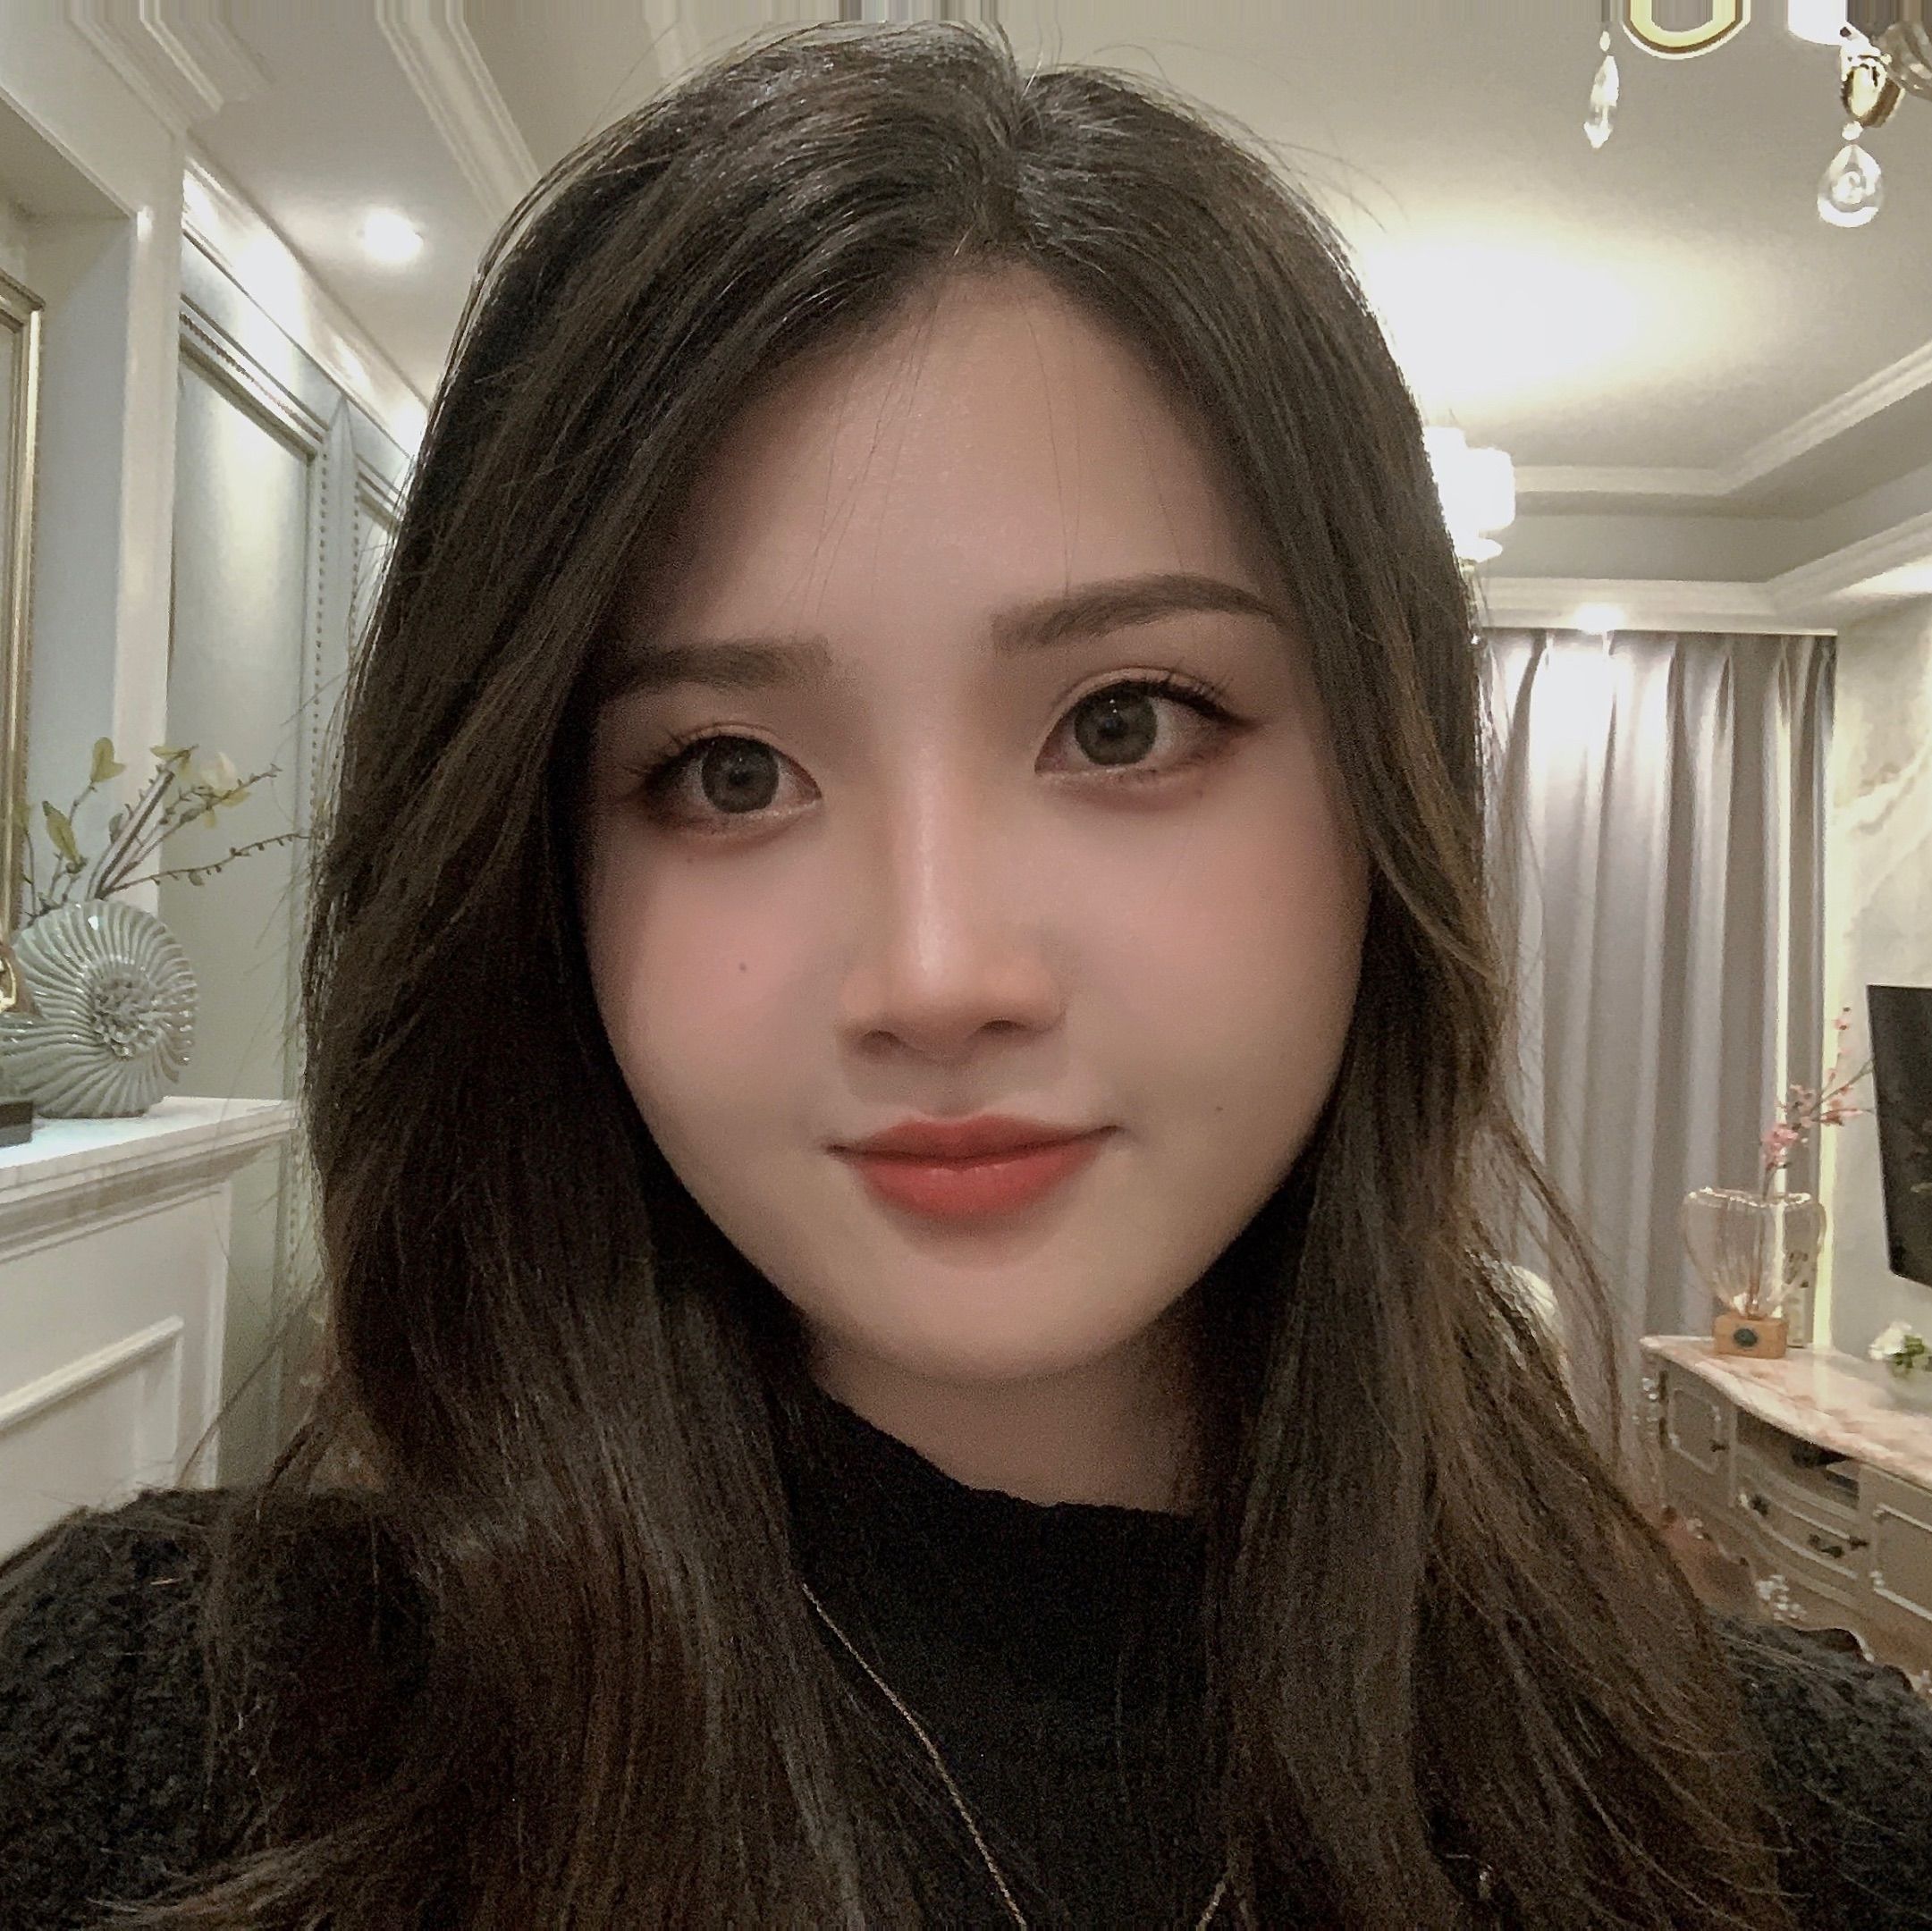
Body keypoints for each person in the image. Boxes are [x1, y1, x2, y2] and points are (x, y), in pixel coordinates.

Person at [4, 21, 1930, 1930]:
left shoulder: (1803, 1835)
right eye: (727, 772)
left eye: (1122, 723)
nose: (936, 976)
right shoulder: (159, 1743)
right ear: (540, 881)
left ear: (1387, 791)